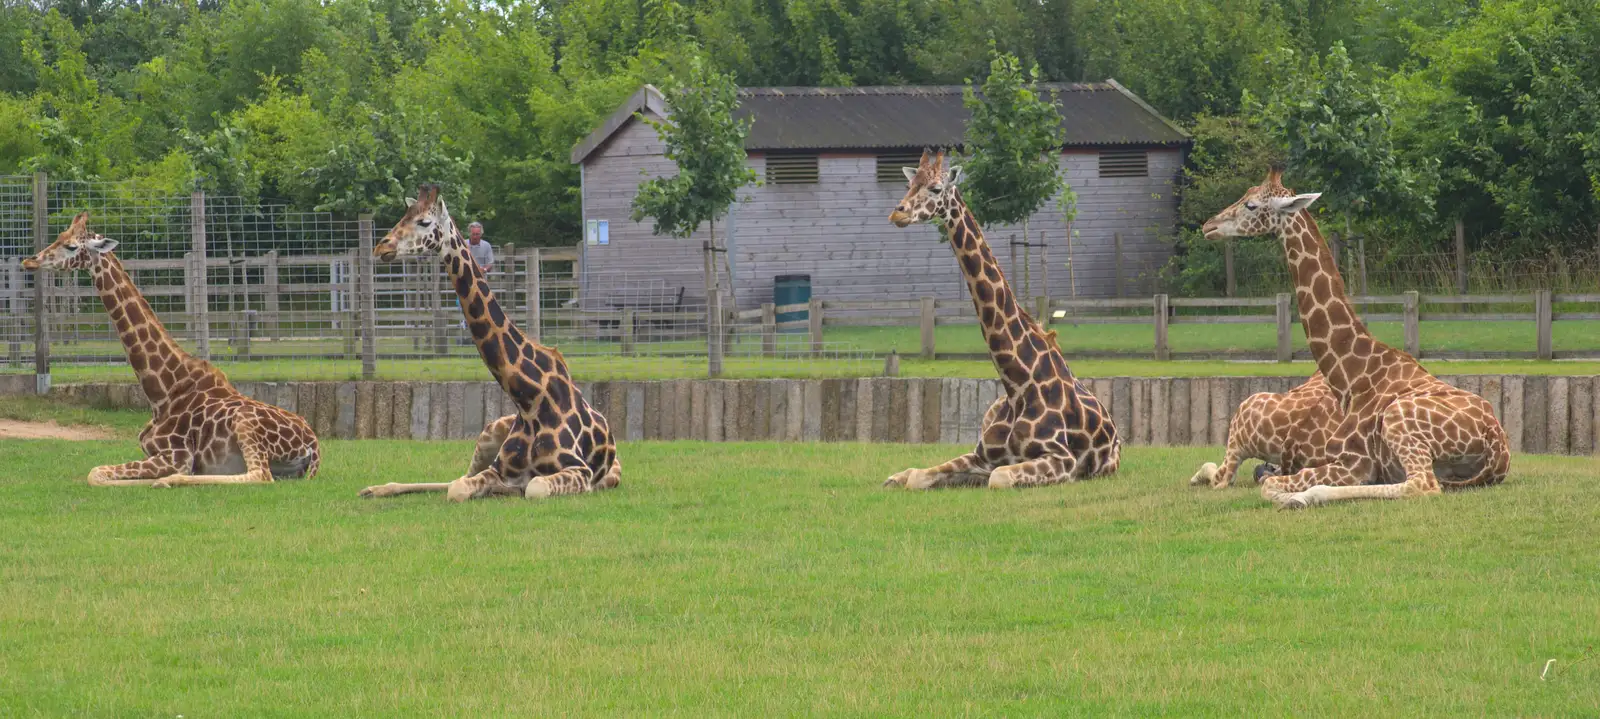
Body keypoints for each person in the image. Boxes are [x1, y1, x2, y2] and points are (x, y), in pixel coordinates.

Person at [457, 221, 495, 340]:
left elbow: (490, 263)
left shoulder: (486, 246)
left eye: (477, 234)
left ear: (481, 234)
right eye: (473, 234)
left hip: (481, 281)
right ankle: (463, 329)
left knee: (481, 306)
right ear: (470, 233)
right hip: (466, 280)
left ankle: (482, 333)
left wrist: (483, 269)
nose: (475, 236)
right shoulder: (464, 244)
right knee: (463, 303)